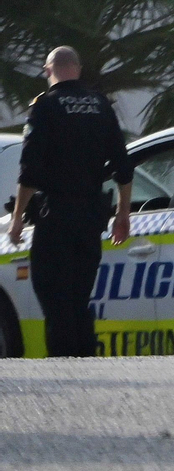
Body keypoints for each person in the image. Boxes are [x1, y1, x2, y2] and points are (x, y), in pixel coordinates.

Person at [6, 47, 131, 357]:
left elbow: (30, 170)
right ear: (78, 67)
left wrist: (18, 216)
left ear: (49, 71)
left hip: (55, 217)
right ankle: (85, 358)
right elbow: (123, 166)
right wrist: (123, 214)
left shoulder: (45, 107)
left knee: (53, 294)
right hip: (91, 216)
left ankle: (65, 366)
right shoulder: (102, 106)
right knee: (79, 297)